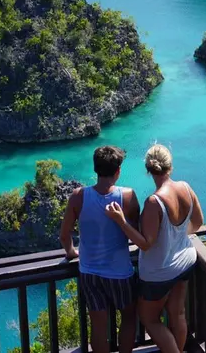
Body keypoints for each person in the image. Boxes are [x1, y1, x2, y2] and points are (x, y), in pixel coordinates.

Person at [105, 144, 204, 353]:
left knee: (150, 319)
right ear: (170, 165)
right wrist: (175, 238)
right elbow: (198, 222)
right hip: (185, 260)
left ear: (148, 169)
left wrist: (121, 221)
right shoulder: (185, 187)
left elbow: (145, 244)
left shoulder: (154, 202)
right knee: (177, 314)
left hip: (160, 271)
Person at [60, 146, 139, 353]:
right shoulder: (128, 197)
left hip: (89, 271)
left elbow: (64, 234)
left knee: (98, 325)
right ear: (118, 171)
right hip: (120, 272)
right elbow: (138, 235)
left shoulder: (79, 196)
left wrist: (71, 253)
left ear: (96, 169)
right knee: (130, 317)